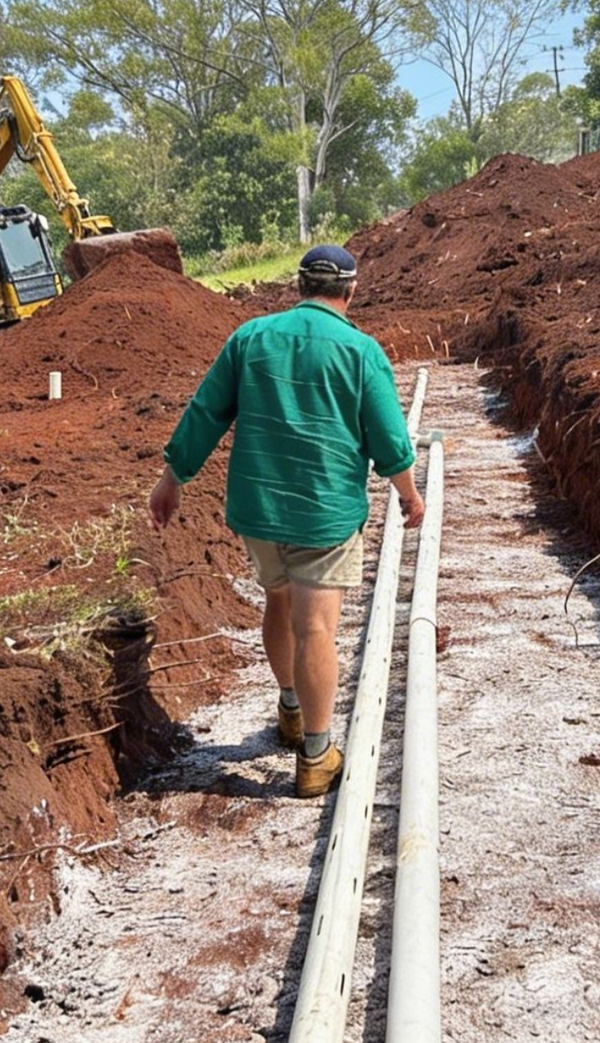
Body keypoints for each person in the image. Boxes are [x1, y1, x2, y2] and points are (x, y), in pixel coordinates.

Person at [149, 244, 424, 798]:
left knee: (278, 603)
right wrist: (408, 494)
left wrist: (172, 478)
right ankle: (317, 756)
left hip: (259, 511)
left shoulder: (249, 339)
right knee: (316, 627)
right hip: (323, 514)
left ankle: (292, 709)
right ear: (350, 290)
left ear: (298, 285)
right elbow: (389, 439)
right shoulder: (361, 351)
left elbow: (206, 411)